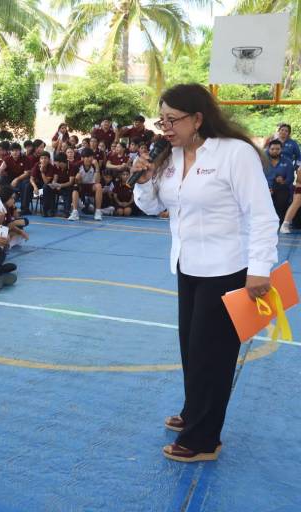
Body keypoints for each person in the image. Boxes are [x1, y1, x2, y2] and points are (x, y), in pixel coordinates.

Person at [132, 83, 278, 462]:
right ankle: (194, 411)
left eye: (172, 120)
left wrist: (260, 270)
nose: (164, 127)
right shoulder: (170, 156)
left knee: (211, 355)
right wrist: (145, 180)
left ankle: (203, 440)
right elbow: (152, 209)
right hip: (187, 266)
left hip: (229, 269)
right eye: (161, 119)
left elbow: (261, 214)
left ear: (198, 118)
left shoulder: (234, 153)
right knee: (191, 349)